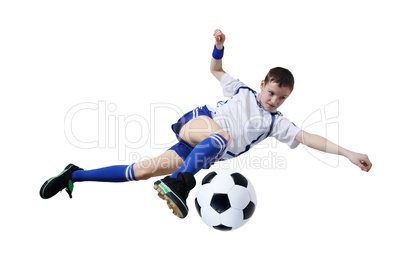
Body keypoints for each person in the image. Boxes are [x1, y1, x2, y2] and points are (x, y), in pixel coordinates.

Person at [39, 29, 372, 219]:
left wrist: (347, 153)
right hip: (198, 128)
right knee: (222, 136)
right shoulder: (240, 90)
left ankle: (74, 175)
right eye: (272, 93)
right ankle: (180, 183)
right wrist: (219, 48)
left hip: (202, 152)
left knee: (140, 172)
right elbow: (216, 70)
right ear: (262, 84)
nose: (274, 101)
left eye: (282, 98)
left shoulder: (275, 124)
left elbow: (309, 136)